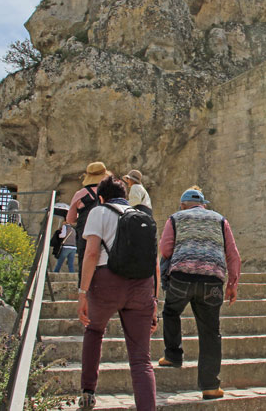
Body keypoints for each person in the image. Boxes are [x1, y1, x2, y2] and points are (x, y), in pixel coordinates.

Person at [77, 175, 159, 411]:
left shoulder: (99, 212)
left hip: (106, 283)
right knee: (141, 359)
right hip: (141, 286)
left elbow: (91, 253)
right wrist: (154, 300)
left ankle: (88, 391)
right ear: (125, 197)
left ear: (101, 197)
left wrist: (83, 292)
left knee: (94, 330)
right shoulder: (143, 217)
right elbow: (153, 263)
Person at [158, 187, 241, 400]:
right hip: (212, 279)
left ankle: (173, 355)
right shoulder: (221, 220)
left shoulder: (175, 218)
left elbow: (165, 249)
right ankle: (210, 386)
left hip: (182, 277)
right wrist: (232, 283)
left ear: (183, 204)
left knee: (171, 311)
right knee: (210, 332)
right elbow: (232, 254)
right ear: (203, 204)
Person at [67, 162, 110, 286]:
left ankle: (84, 290)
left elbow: (70, 219)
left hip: (85, 232)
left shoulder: (80, 194)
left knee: (84, 260)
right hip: (106, 231)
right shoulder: (109, 194)